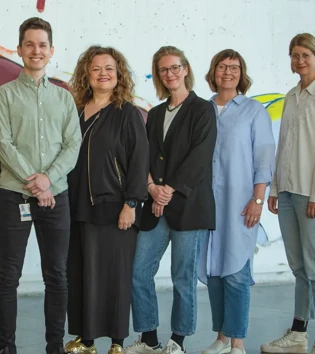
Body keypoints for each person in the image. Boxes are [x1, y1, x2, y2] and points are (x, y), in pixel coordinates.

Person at [0, 17, 82, 354]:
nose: (36, 50)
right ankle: (7, 348)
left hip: (56, 197)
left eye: (42, 44)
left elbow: (73, 145)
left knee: (57, 275)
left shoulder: (64, 98)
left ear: (51, 50)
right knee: (8, 275)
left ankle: (54, 347)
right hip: (15, 195)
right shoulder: (4, 95)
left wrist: (48, 181)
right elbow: (3, 144)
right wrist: (36, 183)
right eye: (29, 44)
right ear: (19, 49)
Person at [125, 46, 217, 354]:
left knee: (182, 277)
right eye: (163, 70)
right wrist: (152, 187)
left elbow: (199, 159)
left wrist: (168, 191)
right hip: (155, 205)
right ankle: (149, 339)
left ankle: (178, 341)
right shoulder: (155, 113)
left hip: (188, 207)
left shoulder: (203, 110)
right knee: (139, 272)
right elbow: (145, 156)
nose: (170, 74)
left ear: (186, 69)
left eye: (175, 67)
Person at [260, 33, 315, 354]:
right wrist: (275, 188)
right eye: (294, 55)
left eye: (305, 54)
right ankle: (298, 332)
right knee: (298, 267)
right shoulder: (292, 96)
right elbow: (284, 147)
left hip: (314, 196)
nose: (299, 60)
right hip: (288, 194)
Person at [64, 45, 149, 354]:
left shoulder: (126, 112)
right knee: (83, 274)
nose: (103, 73)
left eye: (109, 68)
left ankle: (116, 341)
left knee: (115, 276)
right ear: (87, 73)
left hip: (116, 208)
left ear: (118, 74)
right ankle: (86, 340)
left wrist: (131, 203)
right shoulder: (74, 109)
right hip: (79, 208)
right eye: (96, 68)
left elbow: (140, 161)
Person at [197, 49, 275, 354]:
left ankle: (238, 342)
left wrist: (258, 199)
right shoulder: (202, 110)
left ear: (242, 74)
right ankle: (221, 337)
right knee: (213, 272)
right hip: (206, 204)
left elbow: (264, 158)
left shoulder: (254, 111)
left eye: (234, 67)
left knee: (237, 272)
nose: (228, 72)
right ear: (213, 72)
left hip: (240, 204)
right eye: (222, 67)